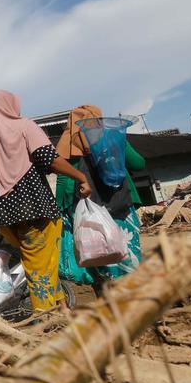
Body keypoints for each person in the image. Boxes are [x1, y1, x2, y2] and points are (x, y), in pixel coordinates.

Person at [0, 91, 91, 315]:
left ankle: (61, 308)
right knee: (39, 268)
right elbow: (50, 160)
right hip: (35, 212)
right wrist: (81, 177)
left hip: (3, 219)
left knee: (42, 263)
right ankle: (45, 319)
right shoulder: (24, 126)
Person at [55, 105, 146, 292]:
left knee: (97, 256)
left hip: (87, 214)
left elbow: (63, 184)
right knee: (128, 256)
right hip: (120, 205)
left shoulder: (66, 145)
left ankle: (109, 303)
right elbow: (138, 164)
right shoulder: (113, 137)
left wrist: (63, 210)